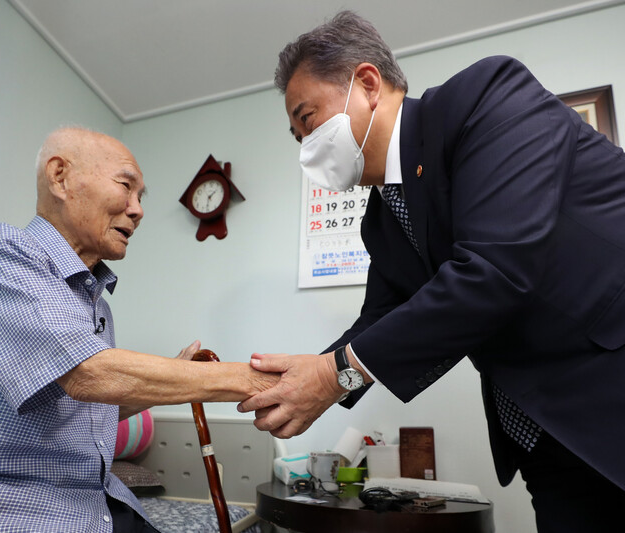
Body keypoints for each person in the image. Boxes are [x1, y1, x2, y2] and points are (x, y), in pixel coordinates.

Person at [237, 11, 625, 532]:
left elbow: (496, 270)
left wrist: (333, 375)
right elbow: (379, 320)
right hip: (542, 437)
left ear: (367, 83)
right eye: (296, 135)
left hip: (607, 390)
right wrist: (303, 378)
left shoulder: (485, 99)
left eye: (307, 120)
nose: (305, 145)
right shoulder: (381, 221)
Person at [0, 127, 278, 532]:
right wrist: (253, 380)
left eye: (142, 198)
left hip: (86, 502)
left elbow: (87, 405)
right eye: (126, 186)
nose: (138, 210)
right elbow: (88, 375)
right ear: (60, 177)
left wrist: (176, 374)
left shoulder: (97, 304)